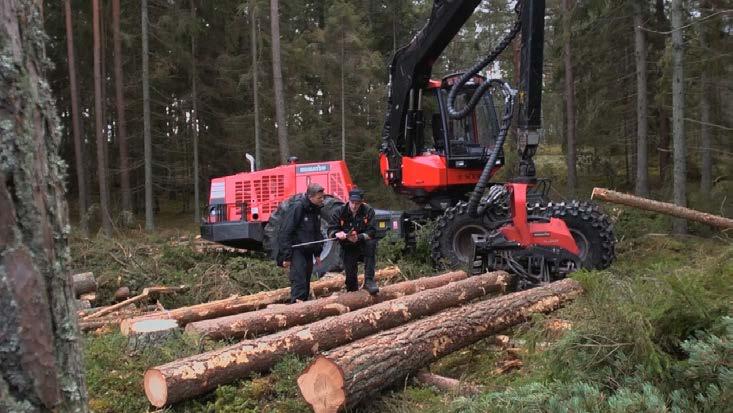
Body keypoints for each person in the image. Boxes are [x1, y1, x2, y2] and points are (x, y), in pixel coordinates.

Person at [278, 183, 325, 303]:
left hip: (308, 250)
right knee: (299, 282)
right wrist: (286, 256)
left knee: (306, 282)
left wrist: (317, 253)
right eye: (319, 198)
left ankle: (304, 310)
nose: (322, 200)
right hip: (296, 250)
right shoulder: (297, 207)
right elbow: (286, 232)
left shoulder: (316, 209)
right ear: (311, 197)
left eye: (322, 197)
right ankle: (296, 310)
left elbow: (316, 233)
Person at [328, 188, 379, 294]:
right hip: (348, 246)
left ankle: (369, 281)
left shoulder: (368, 210)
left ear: (362, 201)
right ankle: (352, 291)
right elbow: (331, 230)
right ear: (348, 200)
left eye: (357, 203)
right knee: (350, 278)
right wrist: (337, 233)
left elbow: (372, 231)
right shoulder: (339, 211)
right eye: (352, 202)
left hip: (363, 245)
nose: (354, 206)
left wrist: (359, 237)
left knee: (371, 244)